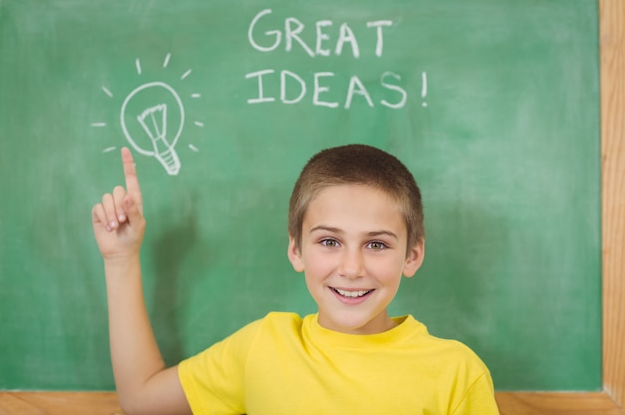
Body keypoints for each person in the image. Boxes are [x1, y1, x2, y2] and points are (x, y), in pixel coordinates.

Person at [92, 144, 500, 415]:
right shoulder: (262, 347)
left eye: (376, 245)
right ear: (296, 250)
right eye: (329, 241)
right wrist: (121, 258)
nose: (352, 268)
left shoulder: (457, 374)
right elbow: (141, 398)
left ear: (412, 255)